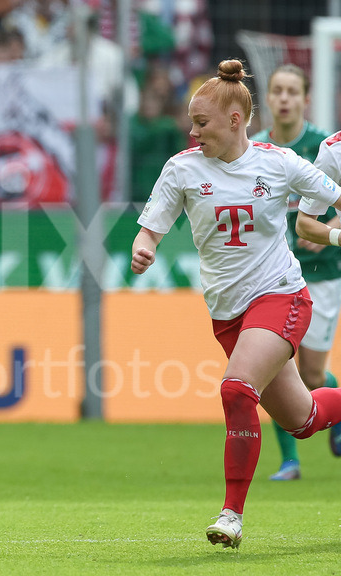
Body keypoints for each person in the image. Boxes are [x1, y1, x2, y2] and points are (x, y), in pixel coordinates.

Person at [131, 59, 341, 550]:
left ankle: (232, 515)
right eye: (191, 121)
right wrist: (145, 246)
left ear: (233, 120)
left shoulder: (279, 162)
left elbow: (334, 196)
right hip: (228, 316)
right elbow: (152, 225)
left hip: (281, 295)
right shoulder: (181, 168)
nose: (192, 130)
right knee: (304, 419)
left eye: (201, 122)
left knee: (235, 389)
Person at [250, 63, 341, 481]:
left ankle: (333, 396)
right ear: (266, 99)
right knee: (272, 367)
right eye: (277, 91)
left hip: (322, 271)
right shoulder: (250, 152)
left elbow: (333, 208)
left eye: (292, 91)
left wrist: (325, 230)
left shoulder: (323, 147)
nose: (284, 98)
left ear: (306, 99)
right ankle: (290, 461)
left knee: (308, 373)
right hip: (270, 277)